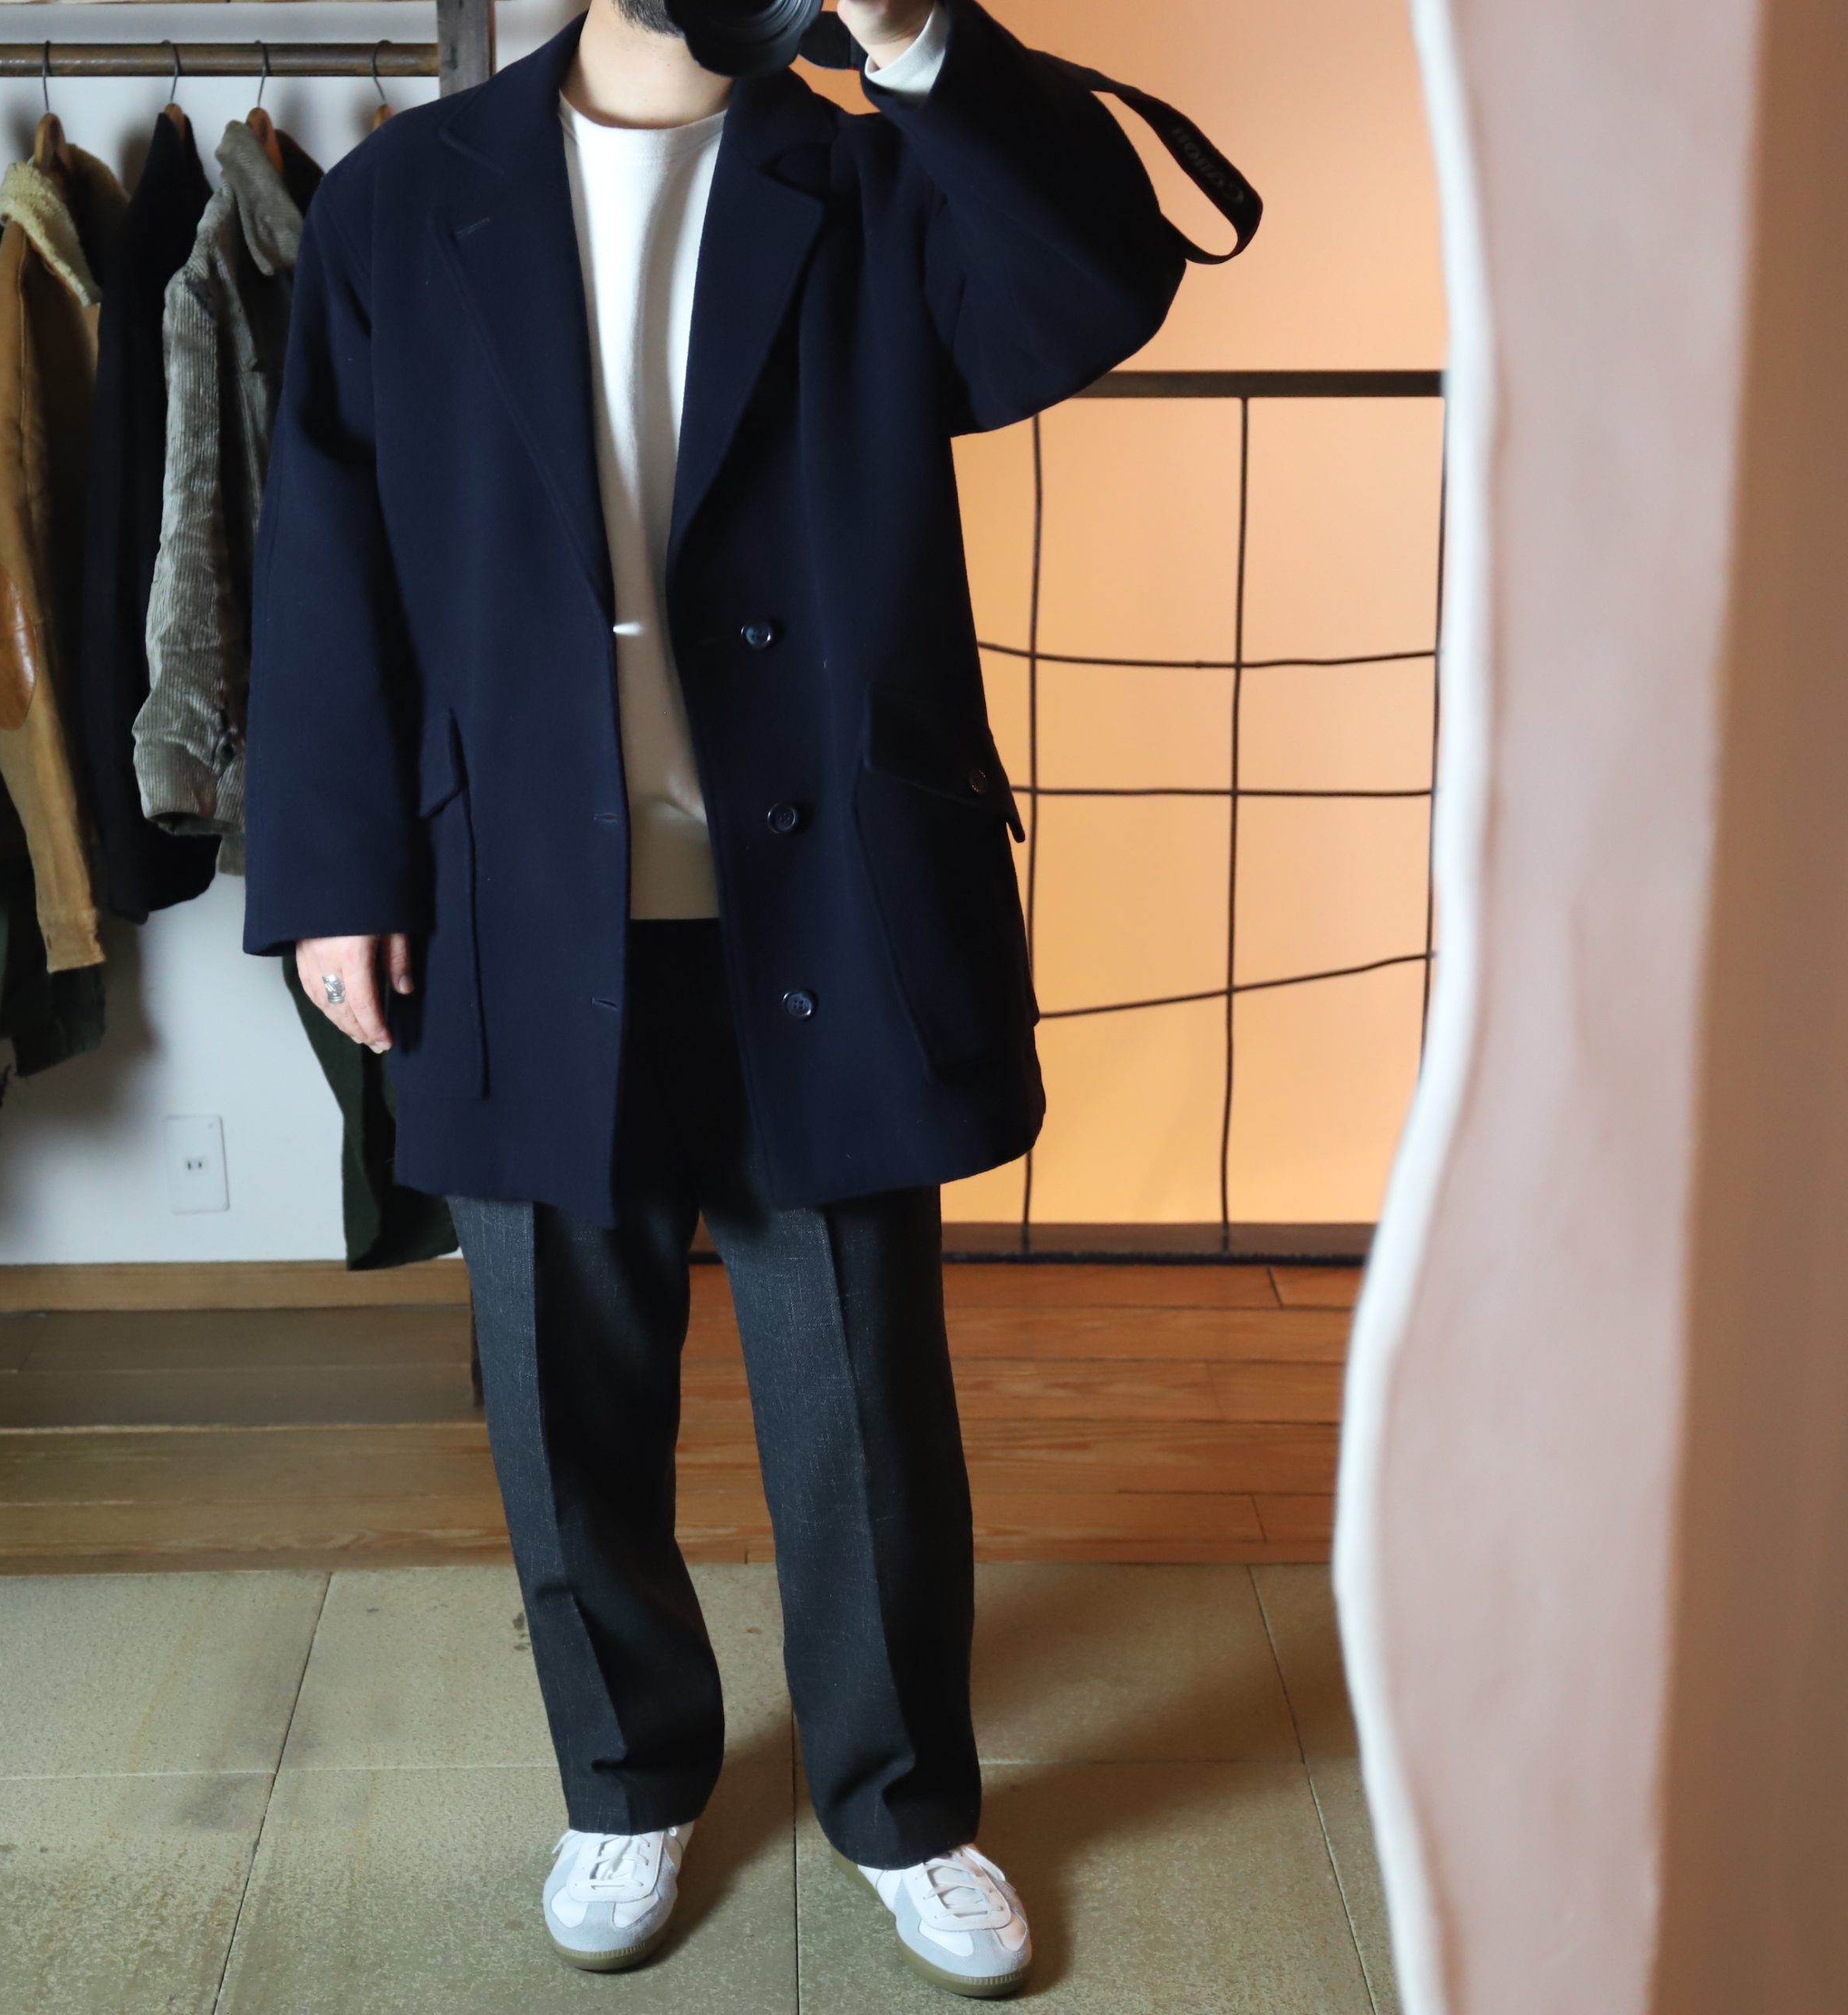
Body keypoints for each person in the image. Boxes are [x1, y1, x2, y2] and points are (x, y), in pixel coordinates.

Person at [244, 0, 1207, 1995]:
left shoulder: (872, 174)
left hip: (824, 891)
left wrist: (917, 38)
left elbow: (1091, 292)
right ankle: (623, 1777)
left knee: (861, 1394)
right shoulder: (399, 203)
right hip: (516, 898)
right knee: (560, 1391)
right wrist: (333, 876)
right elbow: (323, 544)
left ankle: (904, 1804)